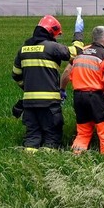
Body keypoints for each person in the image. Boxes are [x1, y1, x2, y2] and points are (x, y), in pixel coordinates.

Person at [11, 15, 74, 151]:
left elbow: (16, 75)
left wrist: (28, 88)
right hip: (49, 103)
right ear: (51, 32)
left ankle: (29, 165)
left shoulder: (23, 50)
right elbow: (74, 53)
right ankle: (47, 166)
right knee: (52, 136)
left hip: (29, 103)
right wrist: (78, 38)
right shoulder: (52, 47)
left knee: (32, 136)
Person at [62, 25, 104, 155]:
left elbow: (67, 72)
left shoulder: (80, 52)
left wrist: (62, 89)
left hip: (78, 97)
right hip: (95, 97)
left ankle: (76, 155)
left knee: (83, 131)